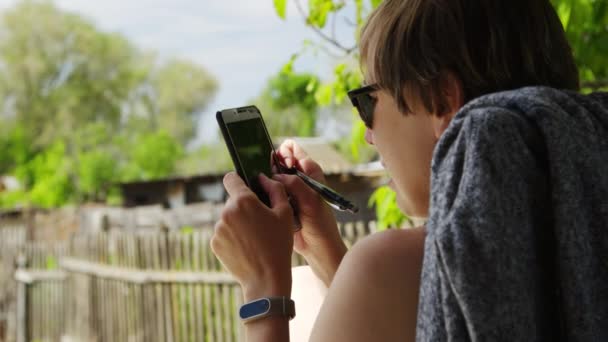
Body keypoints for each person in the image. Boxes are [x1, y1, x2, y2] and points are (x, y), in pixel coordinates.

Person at [210, 0, 608, 340]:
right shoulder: (583, 245)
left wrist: (262, 287)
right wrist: (326, 250)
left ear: (441, 100)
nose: (368, 135)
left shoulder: (390, 264)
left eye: (367, 102)